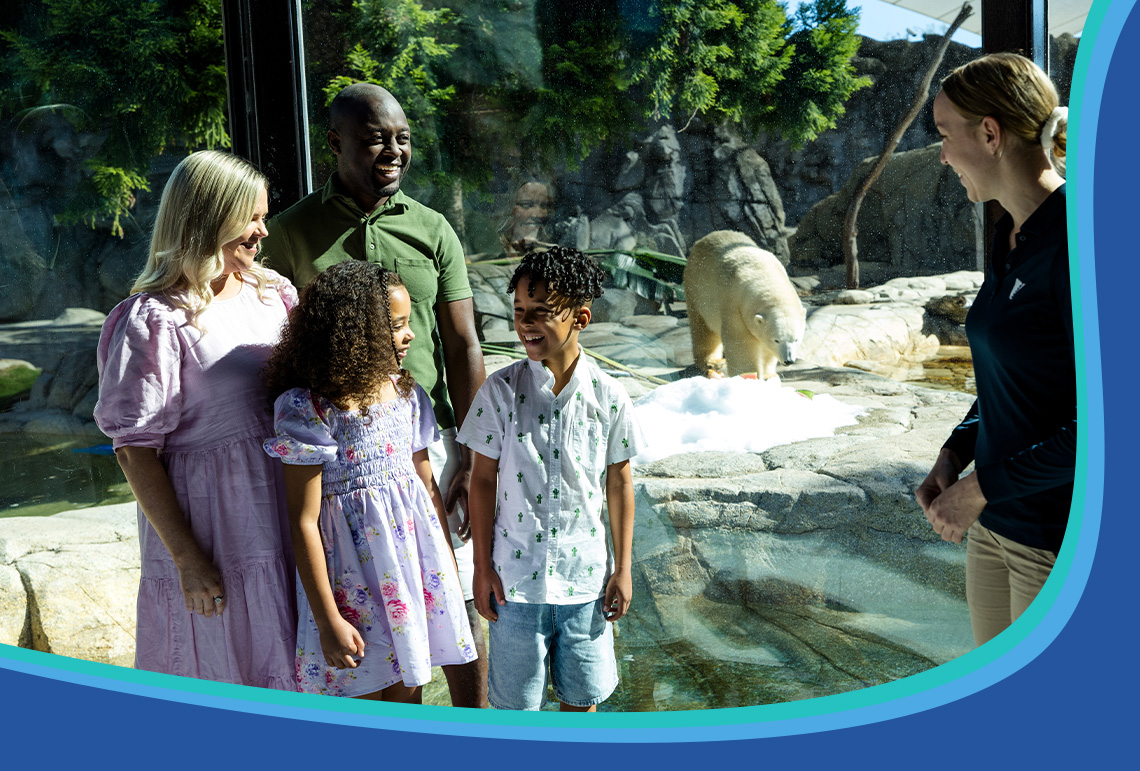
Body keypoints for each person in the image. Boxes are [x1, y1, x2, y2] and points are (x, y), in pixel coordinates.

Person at [259, 82, 488, 706]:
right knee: (375, 620)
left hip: (419, 430)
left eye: (402, 138)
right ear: (335, 143)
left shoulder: (433, 229)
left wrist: (470, 455)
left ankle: (479, 726)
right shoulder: (289, 233)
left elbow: (464, 343)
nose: (392, 151)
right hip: (339, 445)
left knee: (451, 590)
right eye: (375, 139)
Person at [93, 150, 297, 688]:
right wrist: (187, 558)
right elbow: (134, 448)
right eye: (250, 218)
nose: (262, 231)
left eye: (263, 215)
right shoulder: (155, 318)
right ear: (209, 216)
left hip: (284, 512)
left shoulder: (274, 295)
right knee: (221, 669)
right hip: (213, 529)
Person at [262, 261, 476, 700]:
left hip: (410, 575)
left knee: (408, 694)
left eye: (408, 322)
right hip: (348, 587)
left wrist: (448, 578)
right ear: (355, 335)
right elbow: (303, 519)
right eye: (397, 325)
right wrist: (327, 620)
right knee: (355, 696)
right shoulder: (307, 409)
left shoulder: (407, 395)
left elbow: (427, 489)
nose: (410, 334)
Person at [916, 53, 1074, 647]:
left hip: (1058, 540)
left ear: (989, 133)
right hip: (993, 528)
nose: (942, 156)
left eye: (944, 134)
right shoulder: (1010, 234)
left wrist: (979, 487)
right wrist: (955, 453)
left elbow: (1106, 427)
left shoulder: (1082, 241)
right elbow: (1008, 380)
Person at [457, 246, 644, 711]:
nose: (525, 323)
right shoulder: (499, 392)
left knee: (582, 703)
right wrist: (482, 567)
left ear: (580, 318)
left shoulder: (610, 396)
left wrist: (622, 569)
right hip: (514, 585)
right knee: (516, 710)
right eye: (519, 311)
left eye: (541, 312)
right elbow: (481, 482)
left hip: (585, 585)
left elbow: (619, 483)